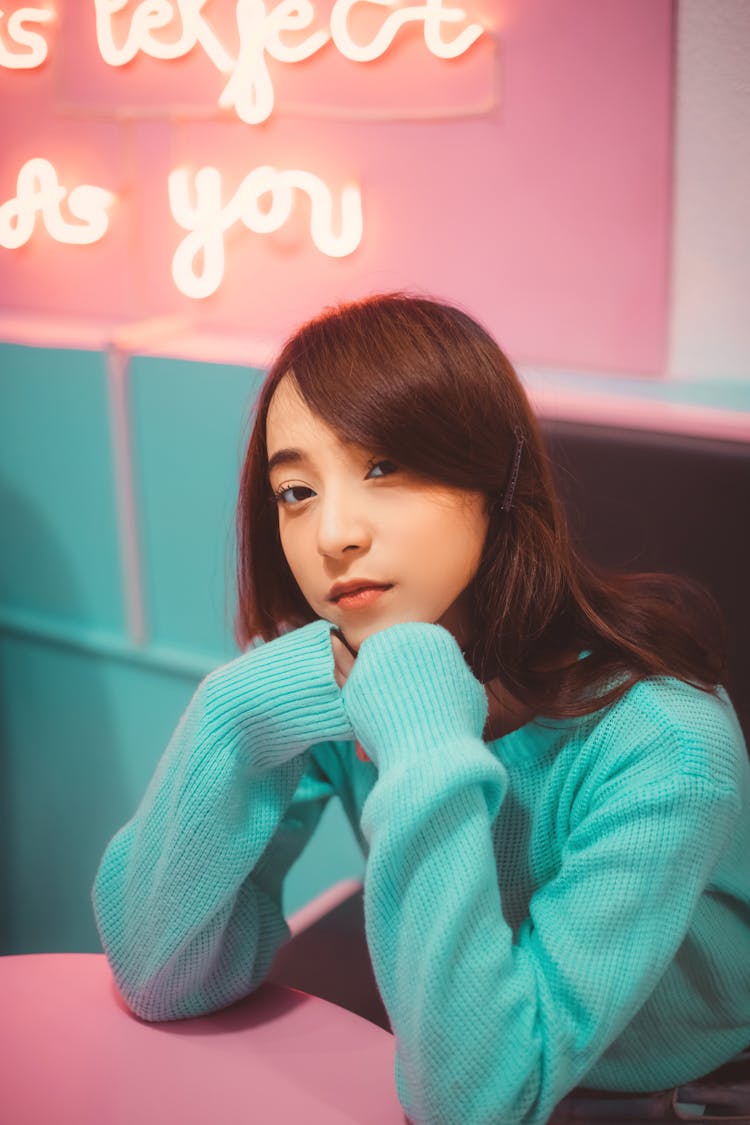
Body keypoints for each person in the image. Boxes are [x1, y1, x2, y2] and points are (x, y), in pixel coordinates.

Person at [92, 293, 750, 1124]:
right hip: (452, 1040)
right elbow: (159, 976)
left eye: (383, 468)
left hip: (672, 1088)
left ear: (494, 480)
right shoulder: (342, 673)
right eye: (295, 491)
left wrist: (420, 723)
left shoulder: (666, 746)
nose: (333, 532)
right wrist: (234, 711)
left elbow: (479, 1101)